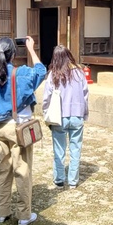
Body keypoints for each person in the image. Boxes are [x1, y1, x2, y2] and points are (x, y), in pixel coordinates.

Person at [0, 37, 46, 225]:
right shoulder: (23, 73)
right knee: (22, 170)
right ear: (14, 54)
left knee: (1, 171)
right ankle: (24, 215)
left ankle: (2, 212)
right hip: (19, 128)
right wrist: (31, 49)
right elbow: (42, 71)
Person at [42, 45, 89, 189]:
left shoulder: (53, 75)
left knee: (59, 149)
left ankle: (59, 179)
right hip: (76, 115)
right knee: (76, 149)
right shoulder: (79, 73)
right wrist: (85, 113)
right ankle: (73, 181)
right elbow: (85, 94)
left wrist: (46, 114)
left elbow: (46, 98)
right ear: (69, 56)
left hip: (58, 117)